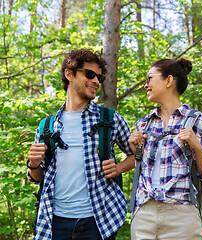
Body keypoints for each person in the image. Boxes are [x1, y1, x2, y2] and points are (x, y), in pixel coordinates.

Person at [27, 49, 135, 240]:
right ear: (69, 74)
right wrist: (33, 164)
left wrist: (118, 168)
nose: (95, 81)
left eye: (99, 78)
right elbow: (37, 178)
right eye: (90, 74)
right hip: (55, 222)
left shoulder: (110, 119)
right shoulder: (46, 126)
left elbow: (139, 155)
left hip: (98, 221)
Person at [128, 58, 202, 239]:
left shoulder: (199, 122)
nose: (146, 85)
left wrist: (197, 148)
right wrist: (135, 149)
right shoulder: (143, 124)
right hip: (144, 214)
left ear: (168, 81)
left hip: (182, 214)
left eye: (149, 78)